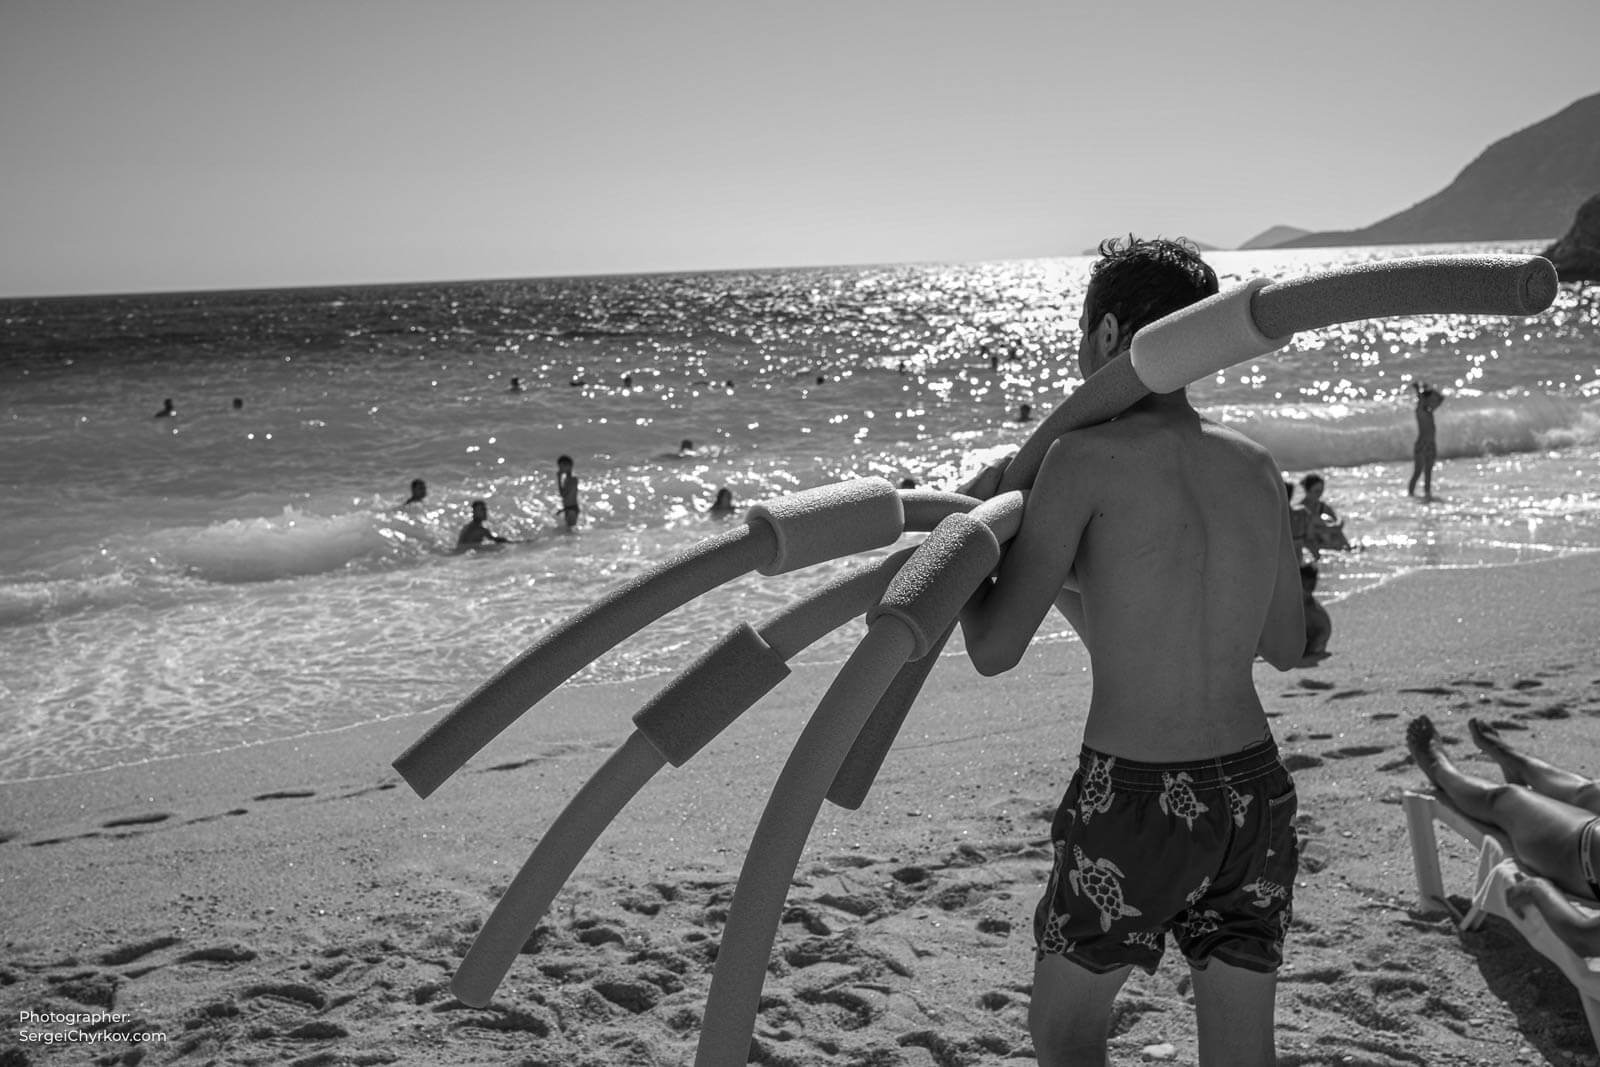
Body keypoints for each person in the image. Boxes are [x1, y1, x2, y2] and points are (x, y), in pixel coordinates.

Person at [957, 236, 1305, 1067]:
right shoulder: (1254, 464)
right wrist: (1093, 597)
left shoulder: (1079, 459)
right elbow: (1286, 645)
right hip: (1253, 794)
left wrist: (964, 549)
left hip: (1138, 800)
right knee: (1240, 1048)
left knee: (1065, 1030)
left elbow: (995, 649)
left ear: (1109, 334)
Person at [1407, 716, 1600, 954]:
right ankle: (1517, 763)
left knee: (1507, 799)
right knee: (1590, 792)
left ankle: (1439, 768)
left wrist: (1537, 889)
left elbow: (1584, 937)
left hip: (1578, 855)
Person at [1408, 381, 1445, 501]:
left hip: (1431, 445)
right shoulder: (1420, 411)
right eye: (1429, 400)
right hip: (1422, 445)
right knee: (1418, 472)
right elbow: (1422, 400)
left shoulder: (1429, 412)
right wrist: (1419, 390)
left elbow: (1441, 398)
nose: (1432, 402)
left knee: (1429, 472)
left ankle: (1427, 494)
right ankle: (1410, 495)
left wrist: (1429, 389)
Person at [1298, 474, 1350, 552]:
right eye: (1316, 491)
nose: (1320, 494)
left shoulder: (1322, 507)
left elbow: (1339, 521)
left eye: (1321, 491)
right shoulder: (1300, 509)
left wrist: (1333, 527)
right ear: (1307, 491)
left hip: (1326, 540)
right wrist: (1326, 529)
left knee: (1327, 519)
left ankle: (1347, 548)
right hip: (1310, 544)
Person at [1299, 564, 1331, 663]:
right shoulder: (1300, 603)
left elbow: (1322, 632)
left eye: (1310, 586)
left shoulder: (1312, 609)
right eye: (1305, 586)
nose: (1307, 590)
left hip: (1315, 644)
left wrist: (1307, 650)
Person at [1286, 483, 1316, 562]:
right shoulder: (1302, 512)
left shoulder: (1277, 515)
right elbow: (1309, 537)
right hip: (1298, 552)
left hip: (1283, 552)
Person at [556, 455, 580, 528]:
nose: (559, 469)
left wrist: (559, 478)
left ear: (568, 466)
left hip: (571, 509)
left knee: (569, 532)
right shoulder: (568, 479)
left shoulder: (572, 479)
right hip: (569, 508)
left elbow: (563, 494)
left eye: (561, 467)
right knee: (569, 532)